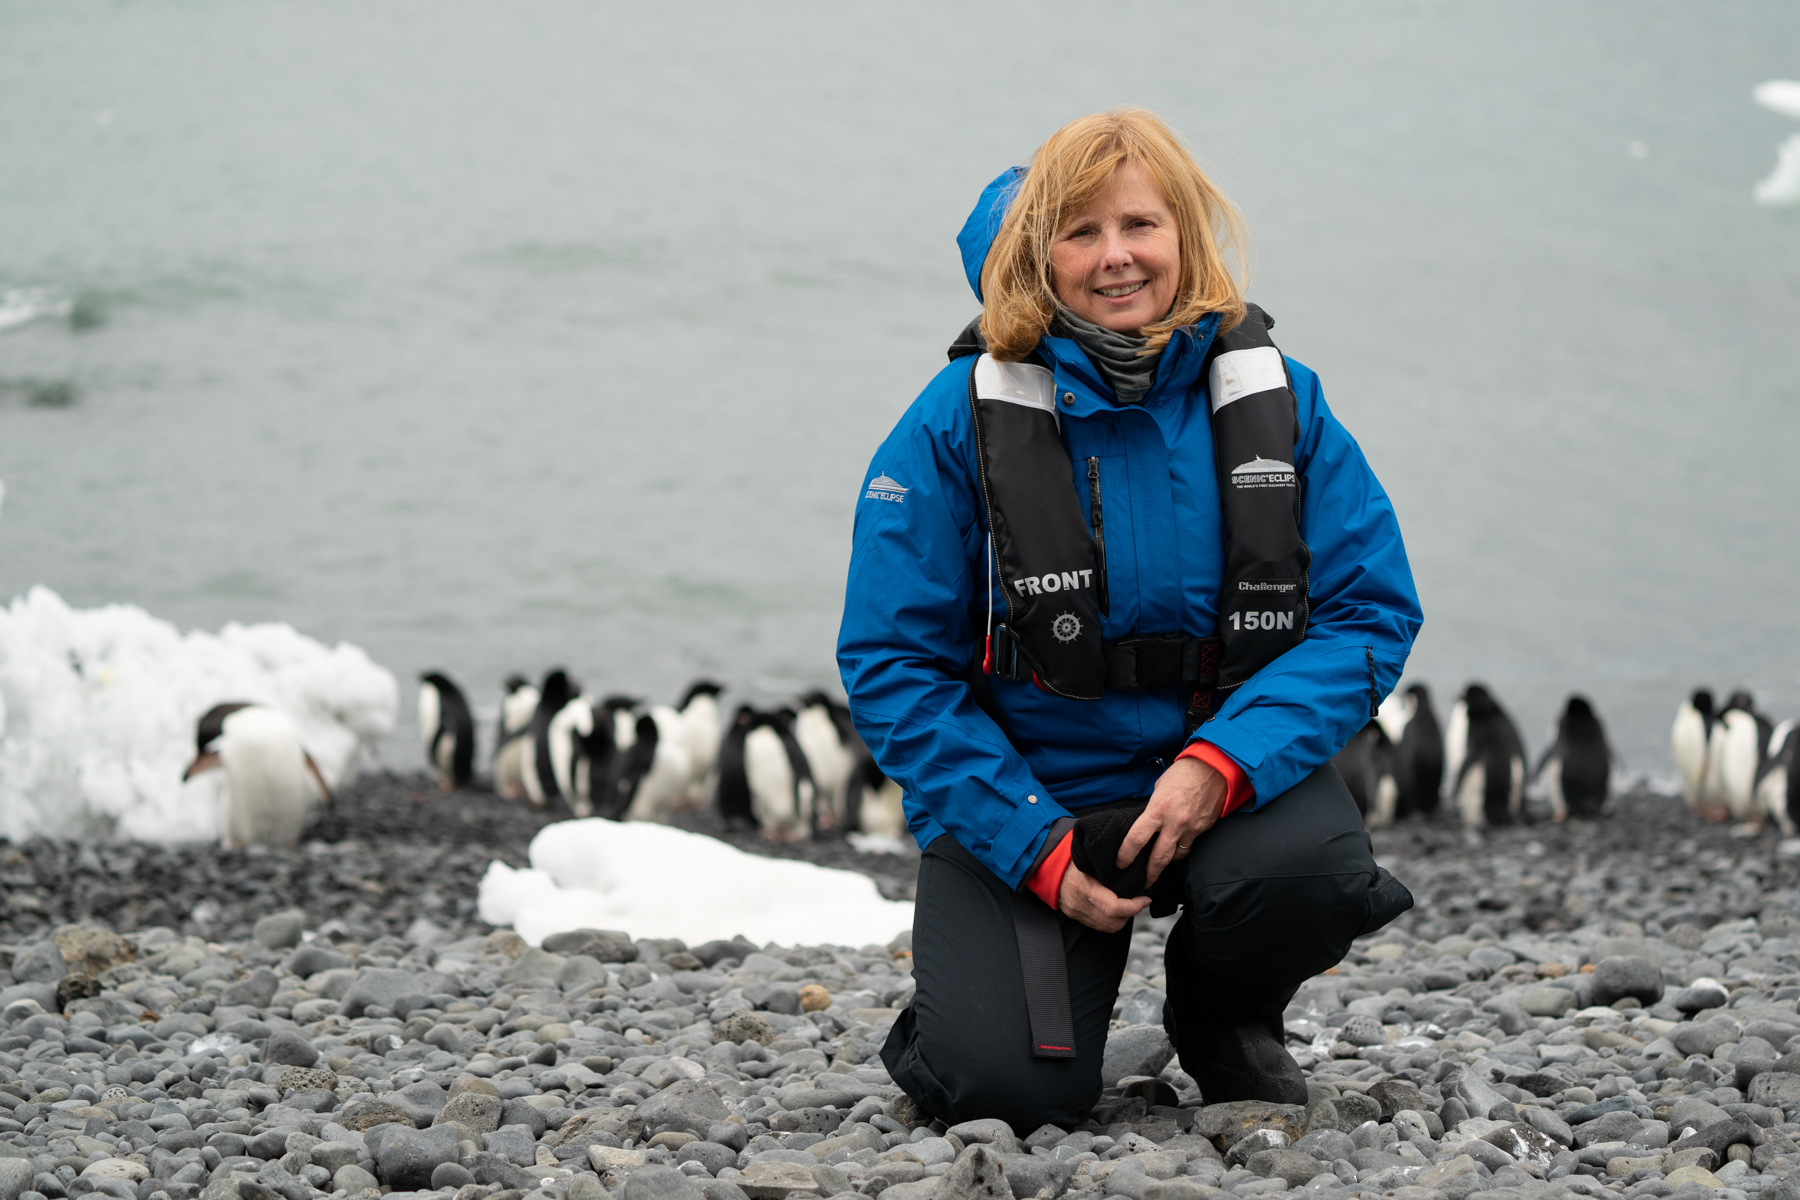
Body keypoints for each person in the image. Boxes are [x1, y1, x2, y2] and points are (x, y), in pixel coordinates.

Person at [836, 108, 1423, 1132]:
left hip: (1222, 776)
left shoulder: (1283, 401)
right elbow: (893, 664)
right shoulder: (949, 422)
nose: (1117, 256)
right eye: (1082, 232)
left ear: (1185, 234)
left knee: (1309, 875)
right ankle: (970, 1010)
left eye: (1141, 225)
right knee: (1009, 1098)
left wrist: (1223, 764)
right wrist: (1032, 844)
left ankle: (1223, 1013)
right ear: (1037, 257)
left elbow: (1367, 612)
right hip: (1034, 793)